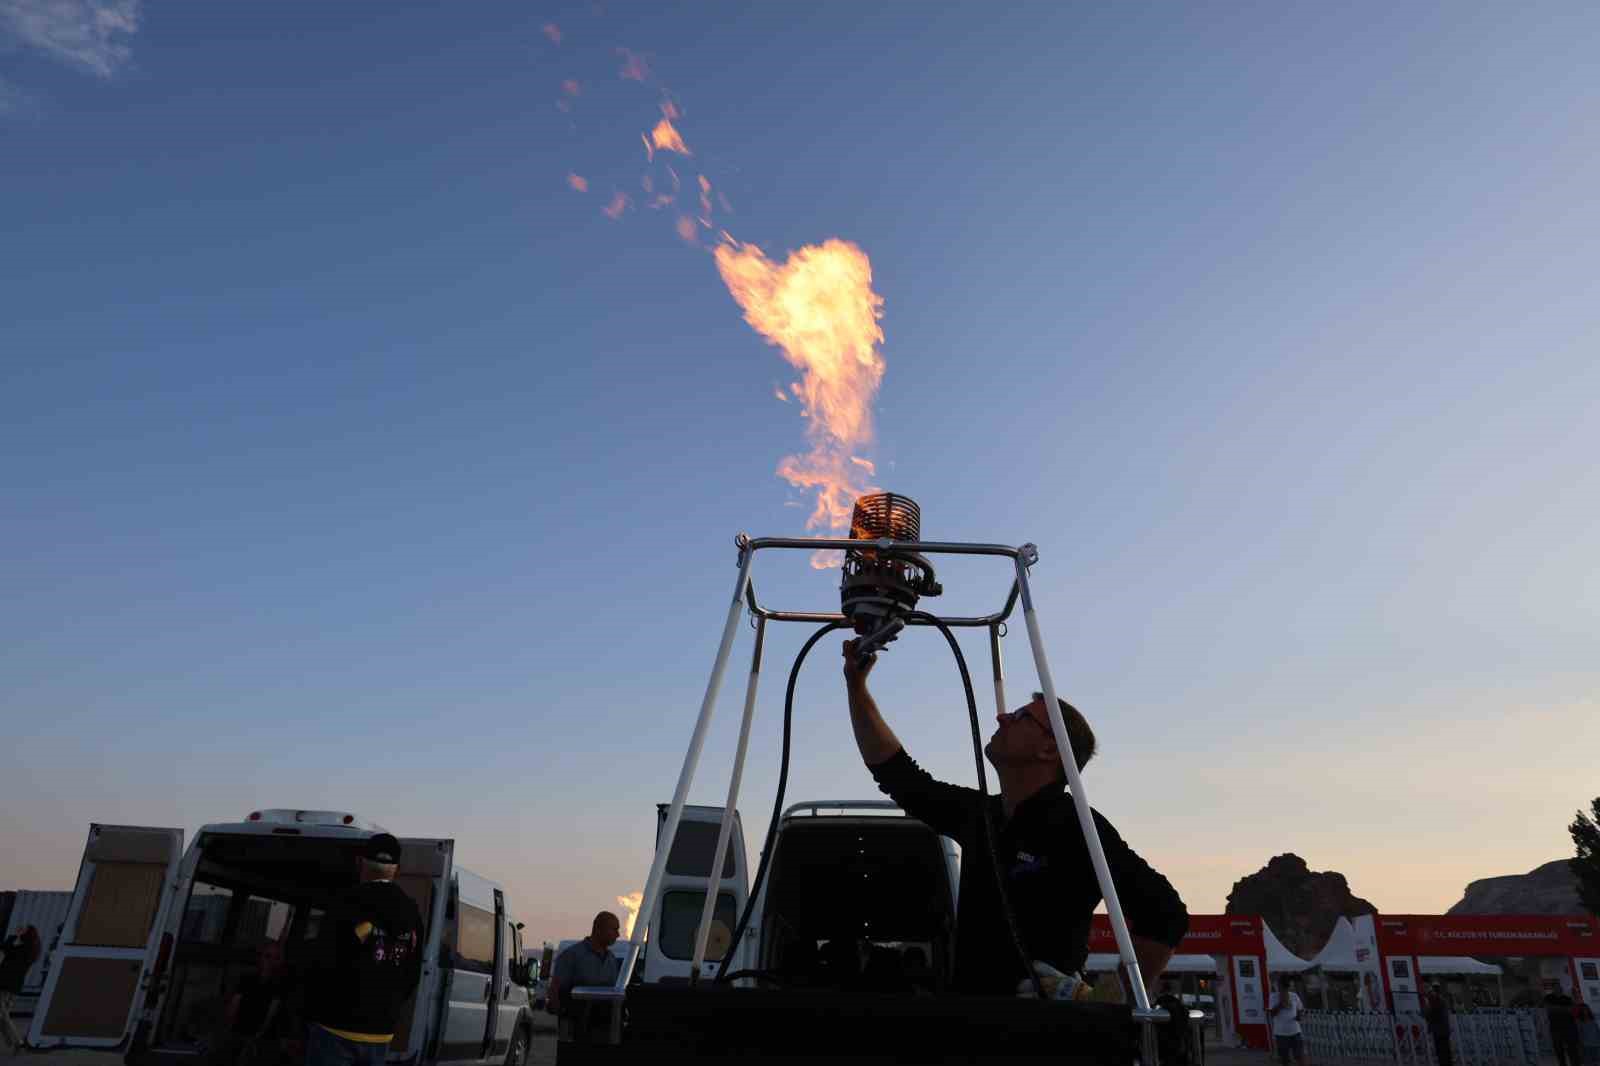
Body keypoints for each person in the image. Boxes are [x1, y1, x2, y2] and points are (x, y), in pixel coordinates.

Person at [842, 639, 1188, 997]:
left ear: (1050, 748)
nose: (1002, 716)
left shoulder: (1077, 826)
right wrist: (856, 687)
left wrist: (1112, 997)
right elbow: (901, 778)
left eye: (1022, 716)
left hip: (1043, 1041)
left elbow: (1166, 914)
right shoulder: (981, 815)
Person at [303, 833, 423, 1066]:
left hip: (335, 1027)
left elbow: (321, 962)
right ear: (397, 870)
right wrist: (388, 1006)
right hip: (381, 1032)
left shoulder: (344, 902)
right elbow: (412, 974)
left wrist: (310, 1012)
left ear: (360, 863)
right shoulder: (412, 912)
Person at [213, 941, 292, 1066]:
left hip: (261, 1040)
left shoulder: (280, 986)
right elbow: (233, 1007)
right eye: (267, 956)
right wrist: (229, 1033)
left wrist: (256, 1038)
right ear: (260, 957)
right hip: (239, 1034)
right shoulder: (247, 979)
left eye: (276, 958)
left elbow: (272, 1015)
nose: (270, 962)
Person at [549, 913, 622, 1042]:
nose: (618, 935)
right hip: (576, 1030)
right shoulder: (572, 956)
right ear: (599, 928)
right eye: (614, 929)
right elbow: (555, 989)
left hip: (604, 1030)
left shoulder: (611, 959)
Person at [1, 926, 42, 1053]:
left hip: (5, 983)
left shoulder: (24, 949)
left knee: (3, 1014)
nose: (20, 930)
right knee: (3, 1015)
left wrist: (14, 936)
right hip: (13, 985)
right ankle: (13, 1042)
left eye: (23, 930)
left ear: (27, 934)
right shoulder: (30, 950)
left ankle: (17, 1041)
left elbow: (6, 948)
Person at [1547, 982, 1584, 1066]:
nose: (1559, 988)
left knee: (1572, 1049)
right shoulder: (1549, 998)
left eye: (1560, 987)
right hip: (1556, 1028)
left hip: (1569, 1026)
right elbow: (1550, 1009)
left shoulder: (1567, 998)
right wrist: (1565, 1009)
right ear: (1553, 989)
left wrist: (1559, 1008)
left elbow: (1572, 1009)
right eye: (1557, 987)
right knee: (1559, 1049)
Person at [1423, 982, 1454, 1066]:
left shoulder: (1435, 999)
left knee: (1442, 1052)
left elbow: (1432, 1014)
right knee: (1445, 1052)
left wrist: (1426, 1013)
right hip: (1442, 1029)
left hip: (1439, 1029)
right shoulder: (1439, 999)